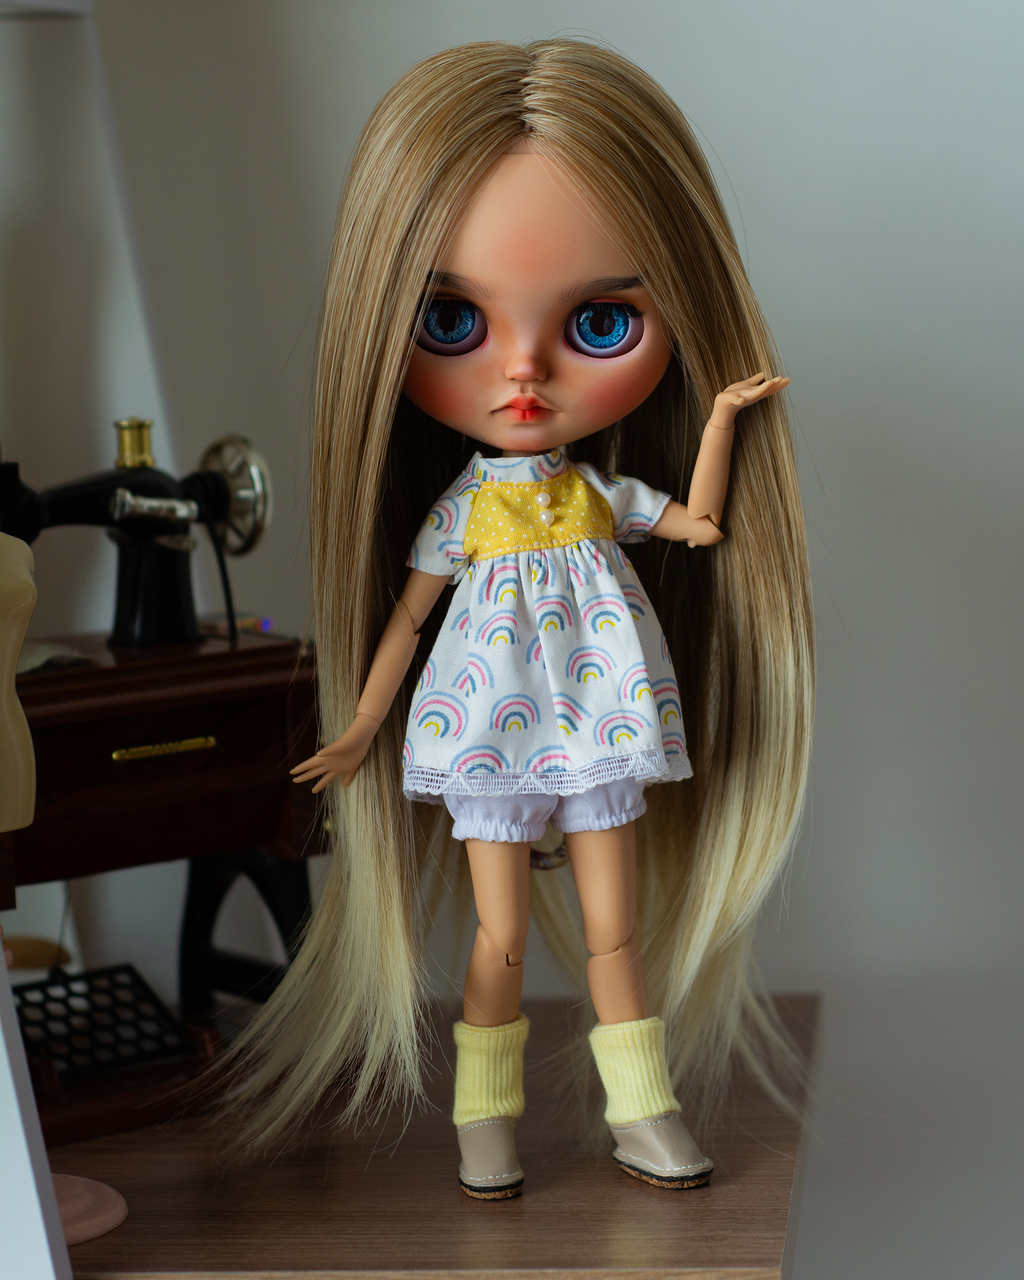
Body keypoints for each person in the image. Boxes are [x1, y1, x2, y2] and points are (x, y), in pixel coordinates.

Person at [221, 39, 814, 1200]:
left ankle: (641, 1108)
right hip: (490, 730)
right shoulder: (462, 511)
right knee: (496, 941)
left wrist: (722, 420)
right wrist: (362, 726)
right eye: (452, 321)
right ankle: (482, 1118)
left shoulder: (595, 494)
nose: (524, 371)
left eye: (598, 324)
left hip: (596, 726)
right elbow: (406, 618)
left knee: (612, 933)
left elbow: (698, 524)